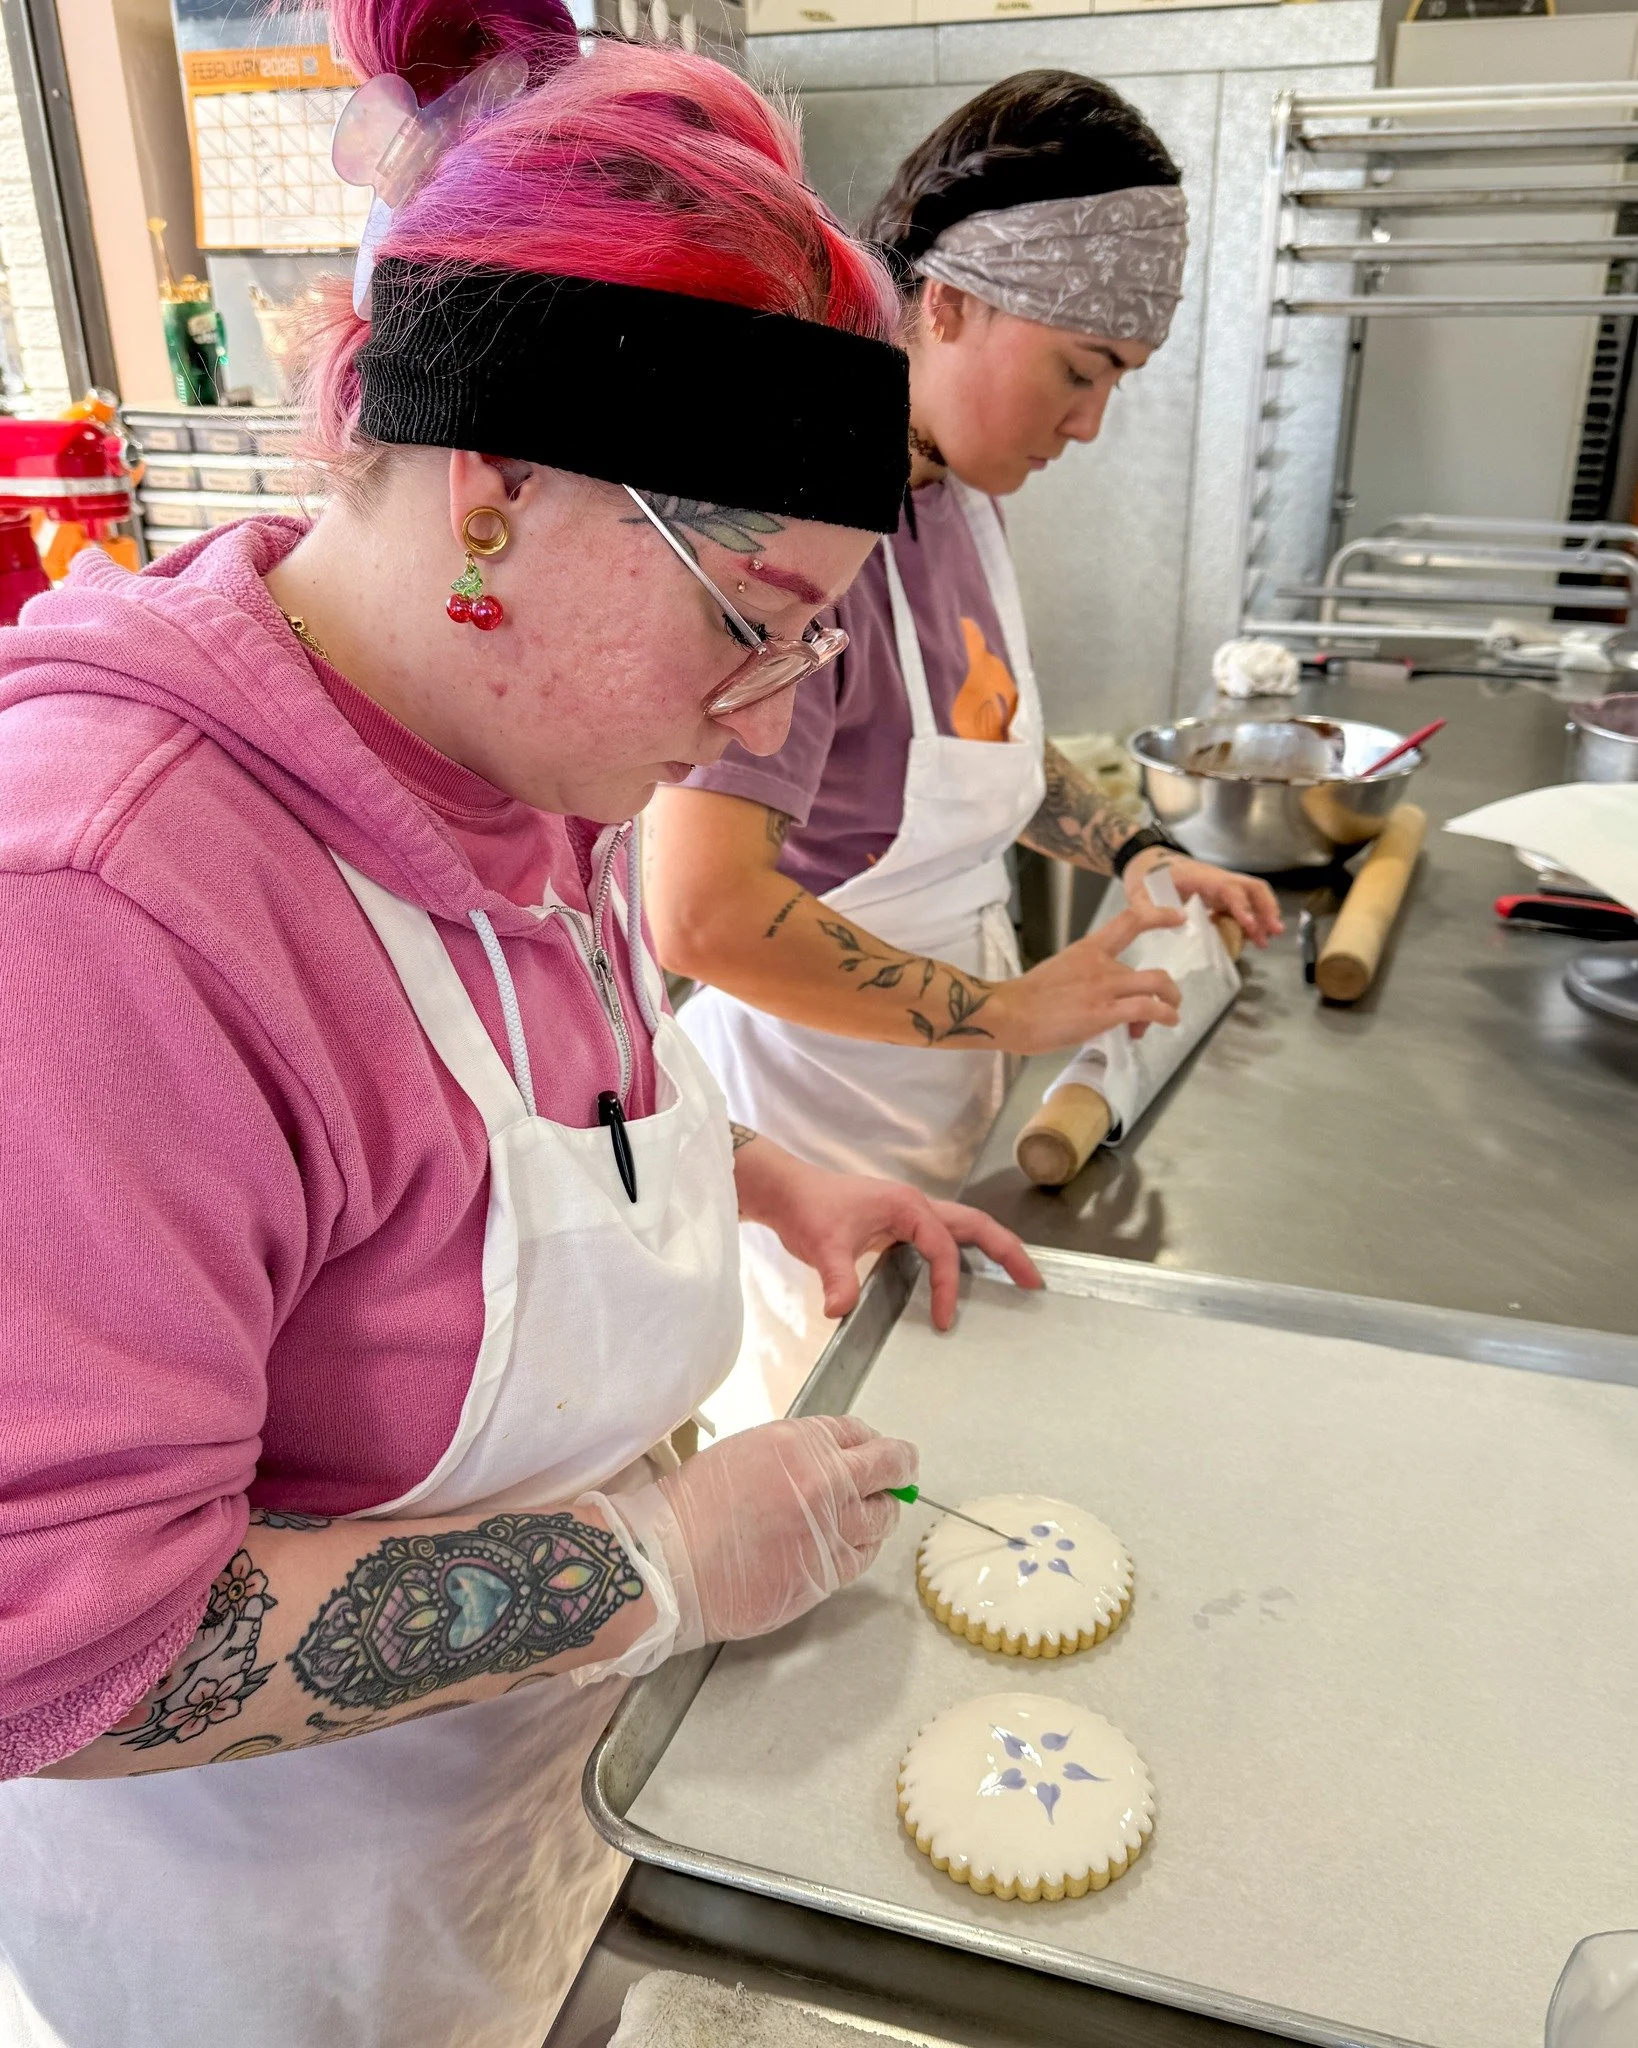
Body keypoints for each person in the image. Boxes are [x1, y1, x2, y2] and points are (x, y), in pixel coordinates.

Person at [0, 9, 1041, 2044]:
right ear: (492, 492)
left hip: (542, 1836)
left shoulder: (527, 759)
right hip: (284, 1951)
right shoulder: (103, 918)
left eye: (814, 636)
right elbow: (65, 1655)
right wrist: (655, 1555)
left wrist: (765, 1173)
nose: (769, 715)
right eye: (754, 621)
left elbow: (498, 1139)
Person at [646, 72, 1283, 1421]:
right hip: (811, 1137)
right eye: (1078, 371)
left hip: (942, 1110)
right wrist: (1006, 1014)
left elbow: (999, 755)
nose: (1088, 425)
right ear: (945, 304)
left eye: (1111, 382)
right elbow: (698, 915)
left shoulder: (961, 505)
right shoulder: (805, 539)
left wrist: (1145, 852)